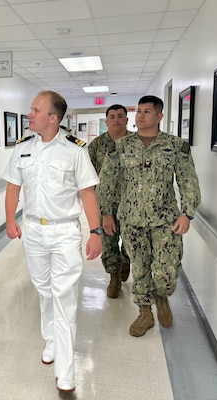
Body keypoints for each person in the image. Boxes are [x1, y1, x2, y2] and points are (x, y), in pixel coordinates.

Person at [3, 90, 102, 393]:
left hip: (64, 233)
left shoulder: (75, 150)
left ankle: (66, 369)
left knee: (64, 297)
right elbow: (12, 188)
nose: (29, 114)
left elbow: (87, 193)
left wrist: (95, 232)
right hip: (32, 232)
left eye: (35, 110)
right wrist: (10, 220)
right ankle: (50, 338)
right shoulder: (22, 149)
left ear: (53, 118)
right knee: (44, 290)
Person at [97, 95, 200, 337]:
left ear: (159, 116)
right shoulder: (121, 147)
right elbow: (107, 182)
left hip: (166, 220)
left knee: (165, 271)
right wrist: (106, 214)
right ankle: (145, 312)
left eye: (146, 111)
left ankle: (162, 294)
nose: (140, 116)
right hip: (131, 220)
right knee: (140, 268)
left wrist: (187, 213)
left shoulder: (175, 146)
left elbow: (188, 182)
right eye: (139, 111)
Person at [88, 104, 133, 298]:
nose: (116, 120)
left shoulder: (137, 143)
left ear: (126, 120)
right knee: (108, 242)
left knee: (130, 241)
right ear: (106, 121)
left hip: (132, 203)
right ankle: (114, 277)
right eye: (112, 117)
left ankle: (125, 260)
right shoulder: (97, 145)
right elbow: (89, 175)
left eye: (120, 116)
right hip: (105, 203)